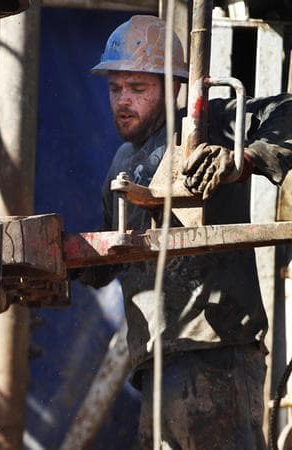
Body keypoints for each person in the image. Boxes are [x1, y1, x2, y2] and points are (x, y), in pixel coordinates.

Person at [80, 15, 292, 449]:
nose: (123, 100)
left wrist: (243, 159)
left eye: (138, 89)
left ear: (174, 84)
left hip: (214, 354)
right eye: (115, 88)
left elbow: (288, 114)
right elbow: (107, 253)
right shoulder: (122, 160)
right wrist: (63, 260)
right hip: (155, 364)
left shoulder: (209, 125)